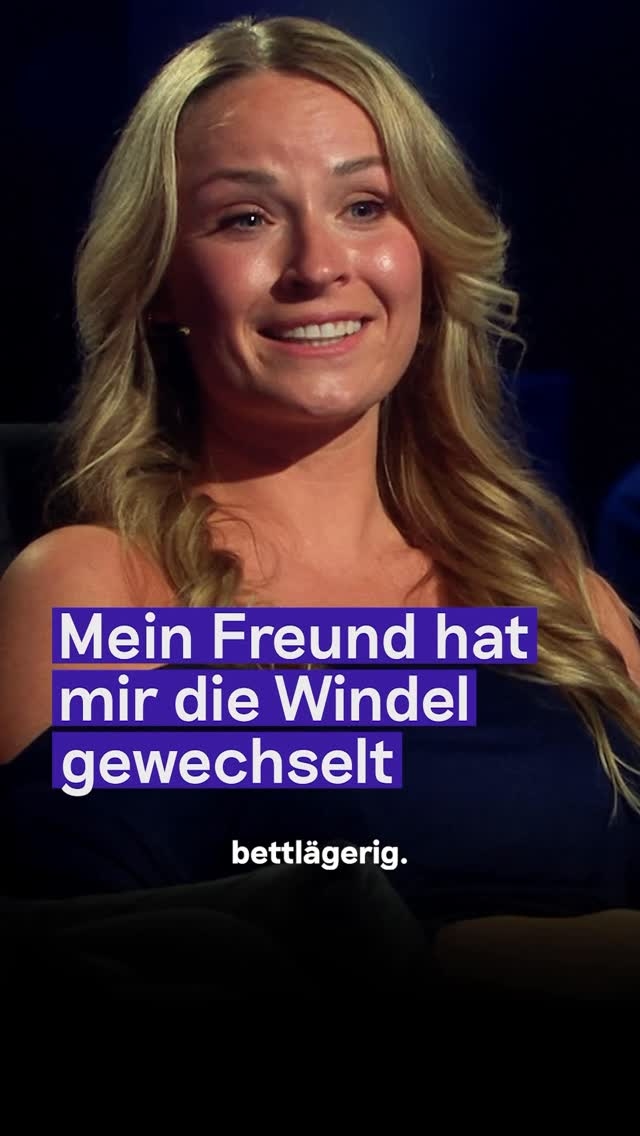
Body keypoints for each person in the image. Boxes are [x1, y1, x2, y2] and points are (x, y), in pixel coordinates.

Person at [1, 14, 640, 1004]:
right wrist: (459, 962)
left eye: (365, 205)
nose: (317, 264)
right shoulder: (100, 592)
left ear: (427, 250)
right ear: (161, 281)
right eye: (244, 218)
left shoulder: (561, 602)